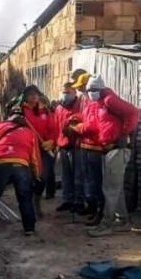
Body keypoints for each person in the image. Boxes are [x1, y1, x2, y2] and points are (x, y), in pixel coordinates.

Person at [64, 75, 141, 236]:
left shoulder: (109, 100)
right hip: (107, 148)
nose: (90, 93)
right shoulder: (98, 102)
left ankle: (107, 224)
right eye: (89, 90)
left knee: (109, 188)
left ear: (100, 89)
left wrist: (124, 133)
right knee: (116, 187)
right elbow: (94, 121)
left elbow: (133, 112)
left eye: (93, 90)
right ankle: (123, 221)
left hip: (117, 148)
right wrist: (77, 119)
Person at [0, 107, 42, 236]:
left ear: (9, 116)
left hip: (0, 164)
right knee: (25, 198)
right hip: (21, 165)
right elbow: (34, 156)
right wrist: (36, 173)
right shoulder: (29, 132)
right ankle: (29, 229)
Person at [20, 85, 57, 210]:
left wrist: (52, 140)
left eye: (36, 94)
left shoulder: (45, 111)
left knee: (43, 176)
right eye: (31, 94)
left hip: (44, 148)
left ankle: (37, 197)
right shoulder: (21, 111)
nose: (34, 96)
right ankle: (28, 205)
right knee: (28, 178)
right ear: (25, 97)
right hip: (27, 149)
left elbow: (53, 128)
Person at [51, 82, 84, 210]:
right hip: (63, 145)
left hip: (76, 145)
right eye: (64, 93)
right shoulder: (59, 108)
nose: (65, 95)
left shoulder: (80, 106)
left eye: (68, 92)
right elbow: (56, 127)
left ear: (75, 92)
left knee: (78, 175)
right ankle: (67, 199)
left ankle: (79, 200)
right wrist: (56, 143)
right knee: (65, 175)